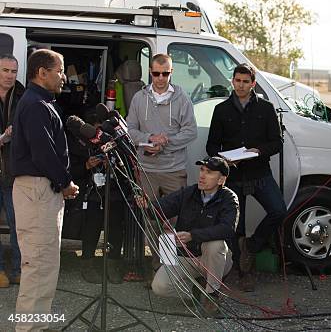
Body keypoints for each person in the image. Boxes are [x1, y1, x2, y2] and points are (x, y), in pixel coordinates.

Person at [11, 49, 79, 331]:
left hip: (40, 190)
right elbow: (43, 153)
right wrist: (65, 182)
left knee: (45, 267)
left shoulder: (41, 102)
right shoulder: (36, 104)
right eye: (59, 70)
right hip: (37, 189)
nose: (64, 77)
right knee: (38, 267)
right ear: (42, 72)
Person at [206, 63, 286, 292]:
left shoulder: (267, 108)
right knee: (236, 227)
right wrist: (224, 159)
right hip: (233, 176)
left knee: (278, 210)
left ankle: (252, 245)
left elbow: (277, 143)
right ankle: (244, 272)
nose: (240, 85)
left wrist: (258, 151)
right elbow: (211, 145)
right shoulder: (221, 110)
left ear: (253, 83)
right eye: (237, 80)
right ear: (233, 81)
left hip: (260, 172)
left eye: (245, 81)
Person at [127, 53, 197, 274]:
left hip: (174, 170)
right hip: (147, 170)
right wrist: (149, 140)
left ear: (171, 73)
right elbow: (129, 130)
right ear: (150, 72)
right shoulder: (139, 98)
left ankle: (175, 269)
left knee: (176, 222)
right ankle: (157, 268)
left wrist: (166, 141)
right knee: (151, 221)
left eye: (165, 73)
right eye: (156, 73)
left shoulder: (182, 97)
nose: (160, 78)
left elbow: (191, 131)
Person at [149, 157, 237, 316]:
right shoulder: (189, 192)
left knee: (215, 244)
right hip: (186, 256)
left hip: (214, 259)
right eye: (202, 170)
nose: (202, 176)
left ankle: (212, 296)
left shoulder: (229, 198)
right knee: (159, 287)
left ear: (221, 179)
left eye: (209, 172)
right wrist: (146, 205)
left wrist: (192, 235)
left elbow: (227, 229)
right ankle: (195, 291)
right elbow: (160, 208)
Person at [67, 109, 125, 284]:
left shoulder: (116, 140)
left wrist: (113, 166)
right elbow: (70, 170)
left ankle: (113, 264)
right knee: (91, 228)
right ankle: (87, 264)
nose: (96, 137)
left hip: (115, 191)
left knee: (115, 229)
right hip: (93, 193)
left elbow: (129, 170)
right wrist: (87, 165)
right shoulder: (79, 145)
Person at [0, 54, 25, 287]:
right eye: (5, 70)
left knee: (18, 224)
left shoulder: (22, 95)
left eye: (13, 71)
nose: (9, 75)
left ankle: (18, 270)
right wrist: (3, 137)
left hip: (11, 172)